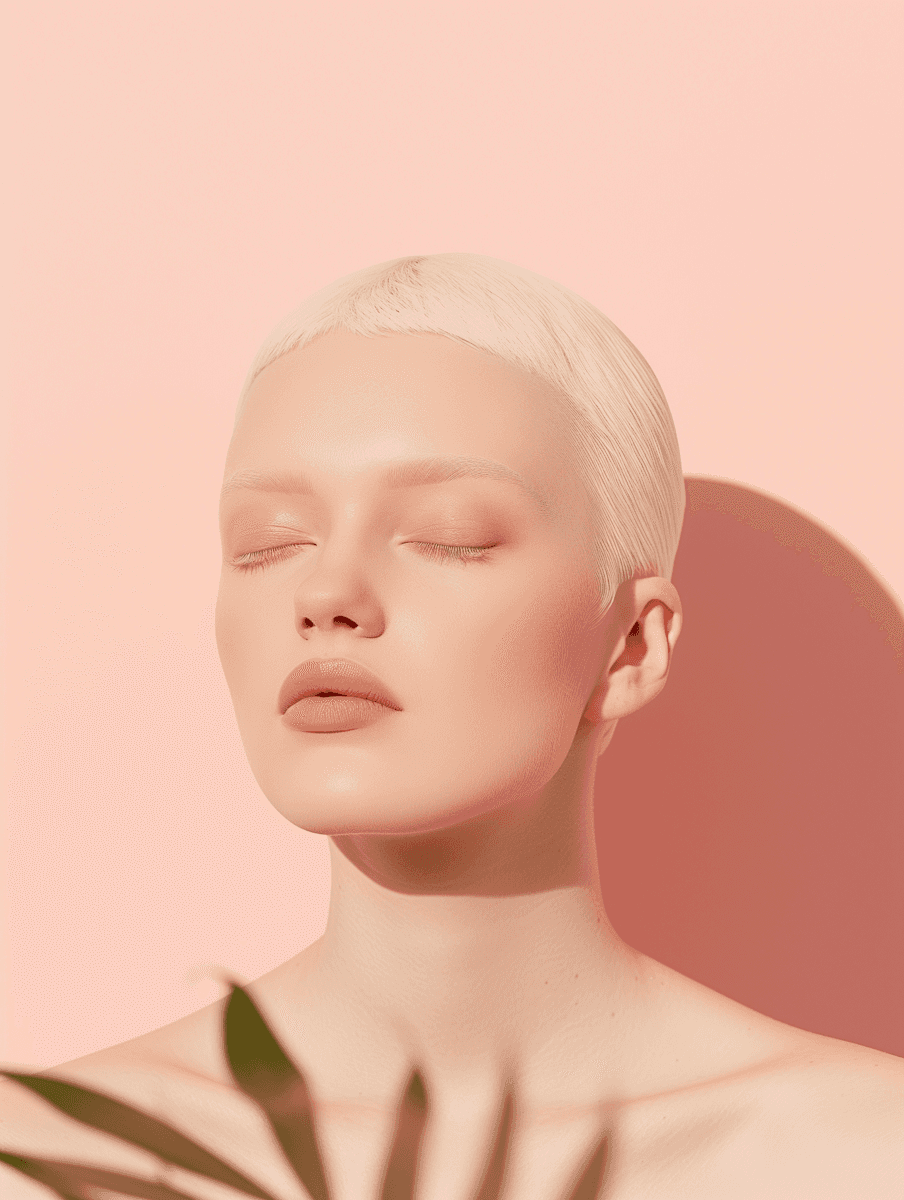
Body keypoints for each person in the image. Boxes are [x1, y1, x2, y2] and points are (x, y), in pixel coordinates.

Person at [2, 254, 902, 1198]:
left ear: (631, 646)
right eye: (268, 543)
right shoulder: (53, 1161)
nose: (327, 595)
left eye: (448, 535)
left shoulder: (862, 1159)